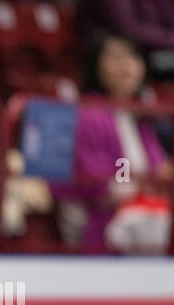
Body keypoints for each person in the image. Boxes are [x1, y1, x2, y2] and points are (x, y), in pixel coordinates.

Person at [52, 31, 172, 254]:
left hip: (140, 215)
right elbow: (95, 182)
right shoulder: (89, 114)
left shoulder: (140, 117)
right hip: (101, 219)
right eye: (115, 58)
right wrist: (140, 186)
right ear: (96, 66)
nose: (126, 66)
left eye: (132, 57)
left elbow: (158, 169)